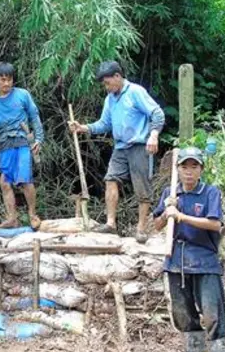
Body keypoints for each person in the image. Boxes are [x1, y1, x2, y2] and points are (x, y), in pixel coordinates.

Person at [153, 147, 225, 352]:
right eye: (184, 167)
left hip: (204, 261)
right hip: (176, 261)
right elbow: (156, 225)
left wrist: (182, 217)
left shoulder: (210, 193)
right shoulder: (170, 193)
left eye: (194, 167)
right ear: (177, 169)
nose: (189, 172)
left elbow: (214, 224)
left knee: (212, 313)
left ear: (201, 169)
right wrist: (167, 211)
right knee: (182, 313)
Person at [69, 61, 165, 243]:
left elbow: (157, 113)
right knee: (111, 179)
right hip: (120, 147)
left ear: (117, 76)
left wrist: (153, 136)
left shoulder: (135, 92)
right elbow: (104, 124)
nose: (106, 87)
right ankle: (111, 224)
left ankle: (141, 229)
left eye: (107, 83)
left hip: (139, 144)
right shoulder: (110, 99)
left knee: (142, 187)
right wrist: (83, 127)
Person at [0, 62, 44, 227]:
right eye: (3, 80)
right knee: (4, 182)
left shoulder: (23, 95)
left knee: (25, 179)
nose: (6, 83)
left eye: (9, 79)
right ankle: (12, 218)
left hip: (22, 140)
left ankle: (33, 215)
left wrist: (39, 139)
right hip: (5, 143)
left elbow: (34, 117)